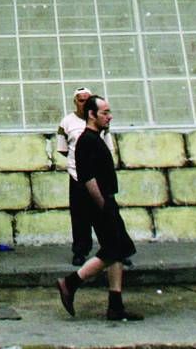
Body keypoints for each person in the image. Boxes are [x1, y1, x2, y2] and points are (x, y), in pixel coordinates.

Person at [54, 97, 142, 321]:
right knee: (113, 250)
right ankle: (70, 282)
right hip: (100, 204)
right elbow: (88, 178)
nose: (109, 116)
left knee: (118, 249)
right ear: (92, 115)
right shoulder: (87, 140)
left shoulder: (95, 138)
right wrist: (104, 205)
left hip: (105, 201)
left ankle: (115, 305)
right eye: (104, 113)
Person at [55, 86, 96, 265]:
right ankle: (80, 251)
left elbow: (106, 146)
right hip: (77, 175)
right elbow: (63, 149)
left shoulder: (98, 119)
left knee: (106, 213)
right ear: (75, 102)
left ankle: (115, 249)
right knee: (79, 215)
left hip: (97, 175)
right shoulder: (66, 122)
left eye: (88, 100)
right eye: (81, 100)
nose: (84, 103)